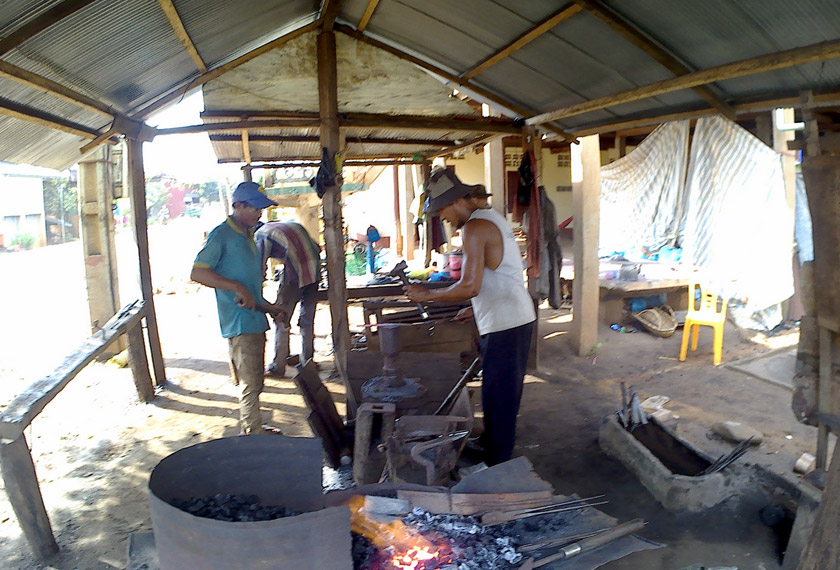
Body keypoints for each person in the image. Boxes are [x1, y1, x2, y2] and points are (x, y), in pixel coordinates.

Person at [404, 168, 536, 466]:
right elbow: (496, 275)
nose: (444, 220)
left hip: (507, 322)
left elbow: (469, 285)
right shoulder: (490, 219)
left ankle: (498, 466)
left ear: (455, 202)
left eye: (442, 212)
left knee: (499, 398)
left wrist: (427, 295)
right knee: (496, 392)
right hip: (508, 315)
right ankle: (491, 445)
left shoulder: (474, 228)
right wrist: (476, 310)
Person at [190, 181, 282, 436]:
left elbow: (249, 289)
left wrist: (270, 308)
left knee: (255, 380)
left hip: (253, 318)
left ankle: (253, 425)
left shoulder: (248, 234)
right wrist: (236, 288)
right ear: (238, 206)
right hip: (239, 321)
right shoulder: (221, 235)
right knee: (250, 382)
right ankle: (252, 432)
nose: (259, 213)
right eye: (254, 208)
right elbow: (198, 272)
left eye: (262, 209)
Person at [255, 220, 321, 377]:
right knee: (307, 320)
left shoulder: (261, 234)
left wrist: (255, 289)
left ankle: (278, 366)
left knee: (281, 317)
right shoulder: (290, 225)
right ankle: (308, 362)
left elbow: (259, 266)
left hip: (294, 275)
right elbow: (317, 247)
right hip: (315, 272)